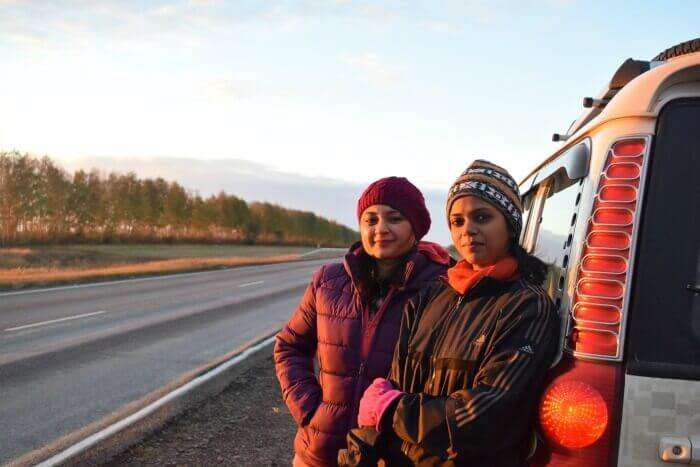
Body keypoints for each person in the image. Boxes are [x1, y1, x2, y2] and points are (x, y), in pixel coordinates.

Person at [341, 160, 560, 466]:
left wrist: (393, 410)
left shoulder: (527, 305)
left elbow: (491, 413)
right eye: (457, 222)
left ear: (510, 226)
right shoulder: (432, 295)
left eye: (481, 217)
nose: (468, 229)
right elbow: (391, 387)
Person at [274, 176, 452, 467]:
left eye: (394, 218)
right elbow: (289, 345)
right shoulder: (328, 281)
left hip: (388, 455)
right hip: (319, 453)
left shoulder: (440, 288)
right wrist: (309, 410)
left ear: (415, 228)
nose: (380, 229)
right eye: (370, 219)